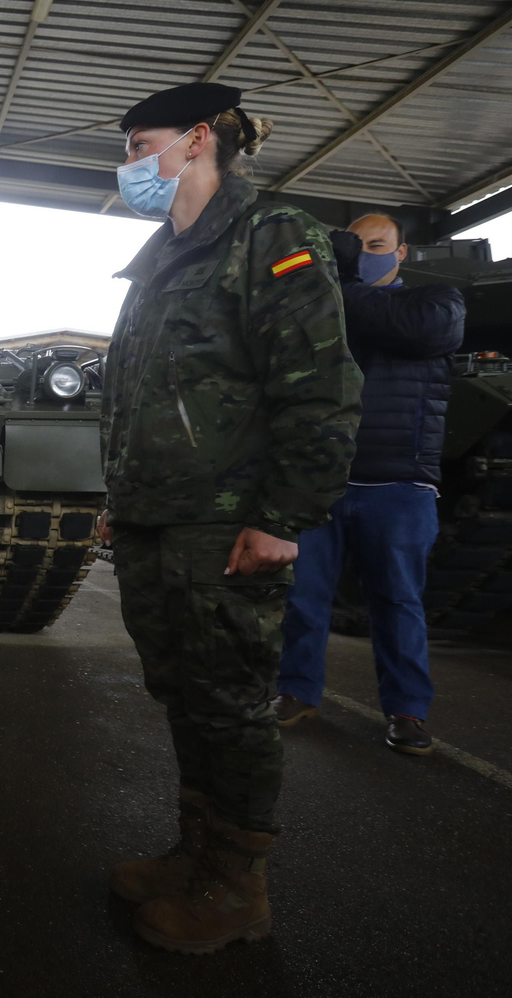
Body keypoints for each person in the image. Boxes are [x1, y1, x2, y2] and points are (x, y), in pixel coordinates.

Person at [97, 83, 363, 953]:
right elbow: (135, 397)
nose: (131, 162)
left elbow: (319, 389)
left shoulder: (271, 236)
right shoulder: (159, 259)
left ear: (199, 139)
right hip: (157, 520)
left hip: (227, 523)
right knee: (184, 693)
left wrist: (285, 515)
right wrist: (121, 500)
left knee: (231, 703)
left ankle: (238, 889)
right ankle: (196, 854)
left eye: (143, 145)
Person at [274, 214, 466, 754]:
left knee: (397, 601)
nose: (366, 255)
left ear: (402, 253)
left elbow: (414, 331)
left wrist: (342, 278)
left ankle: (407, 711)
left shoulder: (436, 304)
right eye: (355, 248)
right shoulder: (323, 311)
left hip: (399, 484)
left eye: (377, 246)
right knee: (303, 598)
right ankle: (296, 691)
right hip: (321, 482)